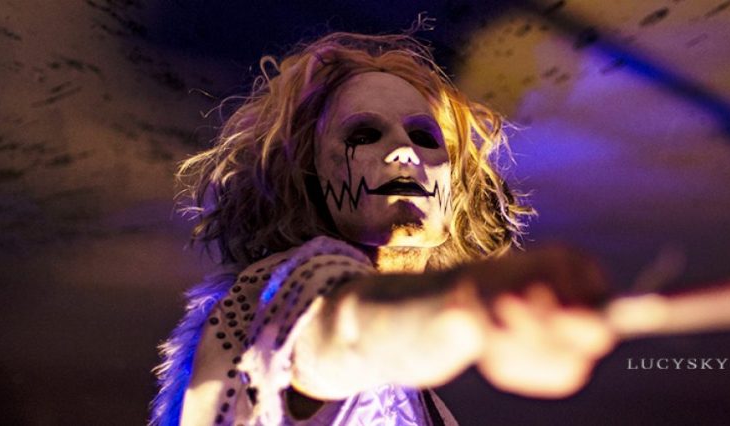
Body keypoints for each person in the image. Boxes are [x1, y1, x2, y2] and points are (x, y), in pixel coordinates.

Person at [151, 31, 616, 426]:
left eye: (423, 136)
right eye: (363, 135)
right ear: (310, 174)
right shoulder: (271, 297)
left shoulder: (425, 404)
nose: (404, 152)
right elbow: (335, 331)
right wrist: (470, 308)